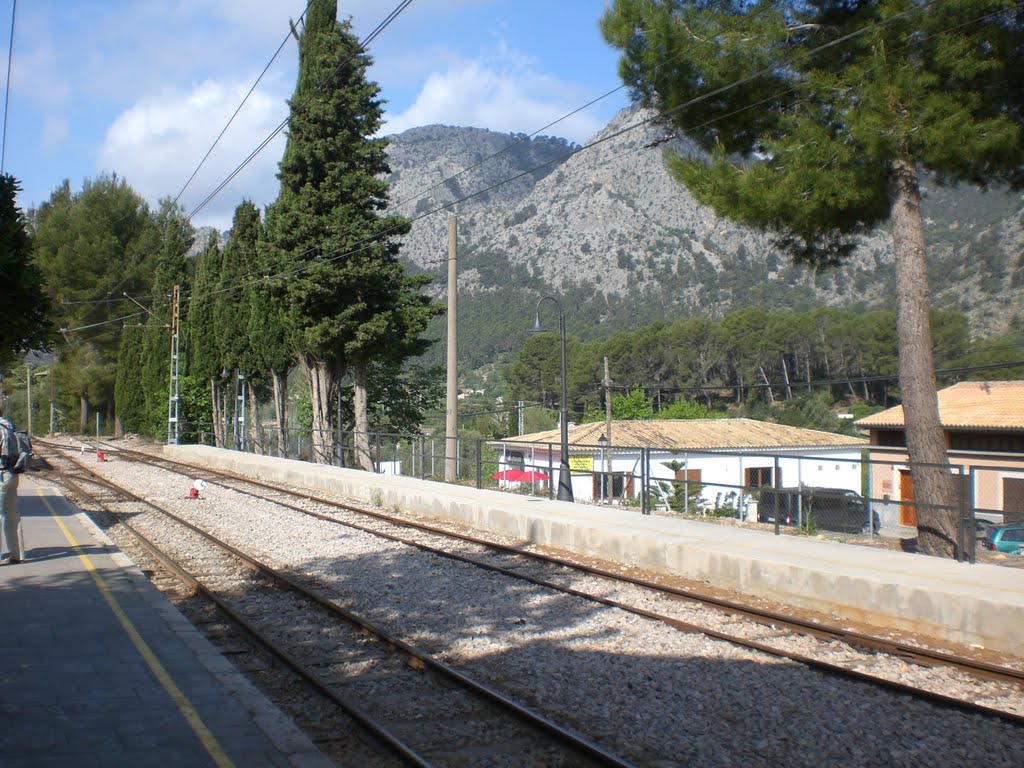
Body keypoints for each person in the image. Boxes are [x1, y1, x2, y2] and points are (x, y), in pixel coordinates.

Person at [0, 406, 24, 564]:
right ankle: (17, 554)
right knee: (12, 515)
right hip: (13, 473)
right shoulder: (9, 425)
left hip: (1, 474)